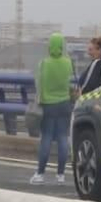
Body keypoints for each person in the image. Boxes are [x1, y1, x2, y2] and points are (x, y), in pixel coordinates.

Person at [30, 32, 76, 185]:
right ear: (62, 47)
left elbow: (39, 85)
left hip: (48, 105)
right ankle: (61, 175)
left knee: (47, 138)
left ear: (50, 47)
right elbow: (72, 82)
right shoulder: (68, 63)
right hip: (65, 103)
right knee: (63, 138)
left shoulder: (44, 63)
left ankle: (40, 174)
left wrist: (39, 101)